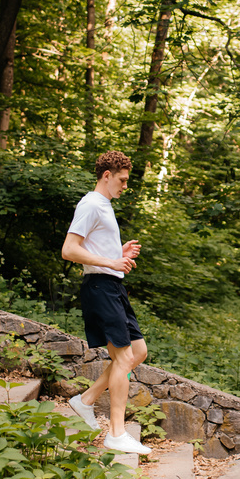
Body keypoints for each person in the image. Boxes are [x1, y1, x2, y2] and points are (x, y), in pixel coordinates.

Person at [61, 150, 151, 455]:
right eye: (122, 180)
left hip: (113, 287)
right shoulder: (91, 204)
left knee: (138, 352)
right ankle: (116, 433)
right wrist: (111, 261)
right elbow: (70, 249)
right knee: (123, 359)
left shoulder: (104, 206)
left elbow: (93, 247)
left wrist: (118, 251)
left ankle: (85, 400)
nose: (125, 186)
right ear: (107, 176)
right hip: (100, 287)